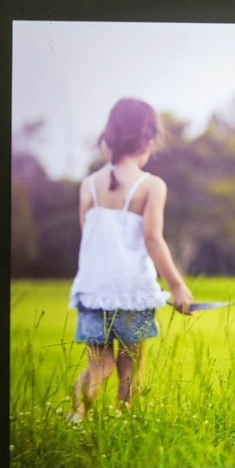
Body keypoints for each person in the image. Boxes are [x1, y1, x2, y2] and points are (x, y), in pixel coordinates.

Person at [68, 98, 193, 422]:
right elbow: (153, 240)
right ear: (147, 140)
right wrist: (177, 287)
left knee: (99, 365)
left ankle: (75, 417)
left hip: (93, 292)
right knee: (131, 369)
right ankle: (125, 425)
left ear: (109, 138)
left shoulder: (88, 186)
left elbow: (89, 239)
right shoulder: (151, 185)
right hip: (133, 293)